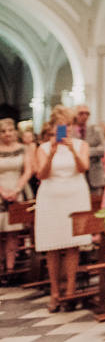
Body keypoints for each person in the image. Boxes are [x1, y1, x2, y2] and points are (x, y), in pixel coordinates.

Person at [33, 105, 90, 312]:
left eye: (67, 125)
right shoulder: (43, 148)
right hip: (51, 197)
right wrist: (52, 152)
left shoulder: (81, 144)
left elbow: (83, 168)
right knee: (53, 246)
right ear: (53, 125)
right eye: (60, 125)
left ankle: (71, 291)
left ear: (72, 126)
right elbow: (42, 175)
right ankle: (55, 291)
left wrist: (72, 149)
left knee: (72, 245)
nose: (64, 129)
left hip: (75, 195)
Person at [0, 117, 32, 278]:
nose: (7, 134)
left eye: (10, 130)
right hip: (1, 189)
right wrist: (3, 190)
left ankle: (10, 268)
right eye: (3, 131)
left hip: (17, 189)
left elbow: (28, 170)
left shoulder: (23, 149)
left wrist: (17, 189)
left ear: (15, 131)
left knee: (13, 232)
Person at [73, 104, 105, 195]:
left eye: (87, 113)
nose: (84, 116)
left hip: (94, 176)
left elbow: (103, 149)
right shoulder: (69, 131)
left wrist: (85, 152)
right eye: (81, 113)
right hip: (76, 175)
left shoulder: (96, 130)